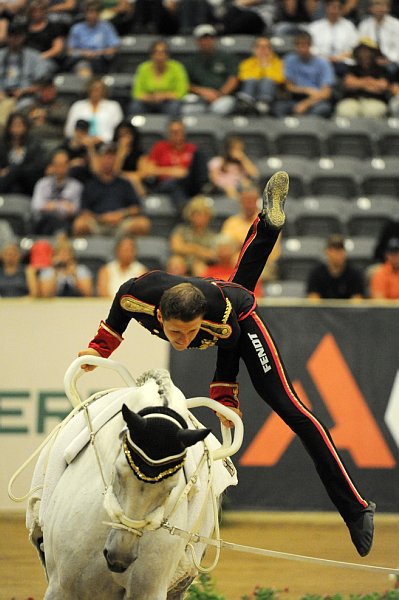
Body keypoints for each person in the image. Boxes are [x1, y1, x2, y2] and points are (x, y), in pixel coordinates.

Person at [78, 170, 376, 558]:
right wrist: (100, 348)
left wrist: (225, 392)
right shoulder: (140, 296)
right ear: (159, 316)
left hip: (240, 315)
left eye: (187, 334)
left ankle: (355, 508)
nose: (179, 342)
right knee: (242, 278)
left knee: (292, 409)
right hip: (211, 296)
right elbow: (119, 303)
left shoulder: (221, 318)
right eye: (173, 333)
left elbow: (230, 347)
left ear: (201, 322)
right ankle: (267, 225)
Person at [72, 141, 151, 237]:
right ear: (100, 159)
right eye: (105, 157)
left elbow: (136, 208)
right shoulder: (90, 185)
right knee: (79, 225)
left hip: (121, 223)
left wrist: (120, 215)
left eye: (111, 157)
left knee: (143, 224)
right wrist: (101, 218)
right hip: (98, 223)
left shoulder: (125, 183)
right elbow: (84, 211)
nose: (108, 160)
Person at [140, 118, 208, 211]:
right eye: (172, 132)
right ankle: (186, 211)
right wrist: (172, 171)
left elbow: (191, 173)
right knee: (172, 184)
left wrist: (180, 173)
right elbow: (147, 171)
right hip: (164, 185)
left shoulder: (193, 149)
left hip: (188, 185)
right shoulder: (160, 147)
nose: (176, 134)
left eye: (178, 131)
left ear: (184, 132)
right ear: (168, 133)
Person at [221, 183, 280, 282]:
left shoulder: (267, 222)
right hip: (234, 264)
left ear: (257, 201)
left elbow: (272, 251)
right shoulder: (231, 222)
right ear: (240, 201)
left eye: (251, 200)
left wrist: (241, 244)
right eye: (246, 200)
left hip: (261, 263)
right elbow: (225, 249)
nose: (248, 203)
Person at [273, 30, 335, 118]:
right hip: (295, 98)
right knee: (278, 108)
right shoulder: (289, 60)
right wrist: (307, 90)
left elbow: (326, 93)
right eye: (299, 46)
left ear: (310, 46)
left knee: (323, 109)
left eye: (304, 46)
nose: (302, 49)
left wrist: (306, 104)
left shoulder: (323, 63)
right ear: (295, 46)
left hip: (316, 100)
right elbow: (289, 86)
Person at [183, 24, 239, 117]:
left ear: (214, 40)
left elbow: (234, 78)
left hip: (222, 97)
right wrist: (202, 91)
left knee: (221, 108)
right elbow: (184, 84)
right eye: (203, 39)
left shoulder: (226, 57)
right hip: (199, 97)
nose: (206, 42)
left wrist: (219, 94)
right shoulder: (190, 61)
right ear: (197, 41)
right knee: (187, 110)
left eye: (209, 38)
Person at [0, 19, 49, 122]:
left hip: (25, 99)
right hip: (2, 96)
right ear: (8, 37)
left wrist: (23, 91)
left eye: (18, 36)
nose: (15, 39)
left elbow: (42, 84)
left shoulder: (34, 56)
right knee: (6, 105)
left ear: (23, 37)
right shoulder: (1, 55)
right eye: (12, 36)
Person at [129, 40, 189, 117]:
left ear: (167, 55)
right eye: (156, 53)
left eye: (162, 53)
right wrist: (152, 98)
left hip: (168, 101)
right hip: (147, 102)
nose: (159, 56)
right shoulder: (143, 68)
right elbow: (136, 93)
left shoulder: (177, 67)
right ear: (151, 55)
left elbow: (181, 92)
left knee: (174, 106)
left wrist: (164, 96)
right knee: (135, 106)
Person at [334, 37, 391, 118]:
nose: (364, 53)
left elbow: (382, 86)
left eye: (368, 50)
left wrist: (358, 83)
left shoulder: (382, 70)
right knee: (345, 110)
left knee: (371, 112)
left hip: (375, 100)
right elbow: (349, 83)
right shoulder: (351, 68)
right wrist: (370, 82)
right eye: (361, 50)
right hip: (352, 100)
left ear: (373, 53)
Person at [31, 149, 83, 235]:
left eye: (63, 164)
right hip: (43, 223)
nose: (60, 168)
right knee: (48, 219)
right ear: (52, 166)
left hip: (66, 223)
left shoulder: (76, 186)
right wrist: (62, 205)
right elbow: (36, 206)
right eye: (58, 164)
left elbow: (75, 209)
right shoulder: (42, 184)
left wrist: (51, 205)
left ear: (68, 165)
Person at [66, 0, 120, 77]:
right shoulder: (77, 28)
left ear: (99, 13)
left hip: (101, 60)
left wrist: (99, 53)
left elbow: (114, 49)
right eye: (89, 12)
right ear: (85, 13)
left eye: (95, 12)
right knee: (83, 67)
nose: (92, 15)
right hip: (82, 59)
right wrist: (84, 53)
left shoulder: (106, 27)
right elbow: (70, 51)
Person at [201, 233, 263, 297]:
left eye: (227, 248)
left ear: (234, 250)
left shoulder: (245, 271)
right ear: (215, 251)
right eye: (221, 249)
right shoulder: (209, 272)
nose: (224, 252)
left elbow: (256, 295)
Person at [169, 194, 218, 275]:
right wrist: (197, 249)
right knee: (176, 262)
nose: (200, 218)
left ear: (209, 216)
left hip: (202, 263)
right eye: (197, 214)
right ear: (190, 215)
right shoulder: (181, 230)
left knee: (199, 266)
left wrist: (190, 248)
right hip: (183, 260)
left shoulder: (213, 235)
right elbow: (176, 247)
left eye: (204, 214)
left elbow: (213, 255)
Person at [64, 77, 123, 144]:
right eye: (94, 89)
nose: (96, 92)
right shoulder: (78, 106)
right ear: (88, 90)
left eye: (99, 89)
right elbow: (69, 130)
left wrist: (102, 139)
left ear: (104, 91)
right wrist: (81, 138)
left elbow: (119, 130)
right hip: (80, 143)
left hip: (106, 143)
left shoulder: (113, 106)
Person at [237, 35, 285, 115]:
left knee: (267, 81)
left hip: (273, 94)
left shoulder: (279, 63)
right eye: (259, 47)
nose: (263, 50)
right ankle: (246, 104)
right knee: (251, 81)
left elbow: (280, 79)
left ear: (271, 50)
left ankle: (263, 104)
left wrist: (267, 65)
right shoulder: (247, 63)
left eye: (266, 47)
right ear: (254, 49)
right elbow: (244, 77)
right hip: (252, 91)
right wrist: (260, 65)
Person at [307, 233, 365, 299]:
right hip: (323, 309)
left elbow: (357, 300)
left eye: (341, 250)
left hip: (347, 309)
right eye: (334, 250)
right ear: (327, 251)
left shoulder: (354, 274)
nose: (338, 254)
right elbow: (313, 300)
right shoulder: (316, 274)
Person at [308, 0, 359, 76]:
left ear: (341, 10)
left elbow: (355, 47)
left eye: (337, 8)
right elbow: (309, 47)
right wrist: (325, 57)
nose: (334, 11)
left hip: (343, 62)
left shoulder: (349, 26)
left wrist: (338, 58)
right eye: (332, 7)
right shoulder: (314, 27)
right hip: (319, 61)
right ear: (326, 8)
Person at [0, 111, 45, 195]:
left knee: (15, 168)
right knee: (14, 189)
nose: (17, 129)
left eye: (20, 125)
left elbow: (37, 166)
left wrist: (14, 170)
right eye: (14, 125)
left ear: (25, 126)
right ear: (9, 127)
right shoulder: (2, 143)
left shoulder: (34, 143)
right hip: (10, 183)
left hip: (28, 180)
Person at [208, 135, 259, 201]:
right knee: (231, 189)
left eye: (240, 149)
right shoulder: (217, 161)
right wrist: (225, 186)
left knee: (249, 186)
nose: (238, 152)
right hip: (224, 189)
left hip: (241, 187)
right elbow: (214, 180)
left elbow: (254, 174)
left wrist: (243, 158)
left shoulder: (243, 163)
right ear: (228, 149)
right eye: (235, 149)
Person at [25, 0, 66, 75]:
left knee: (40, 69)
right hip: (27, 59)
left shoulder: (53, 27)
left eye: (40, 11)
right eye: (34, 11)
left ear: (45, 12)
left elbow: (57, 48)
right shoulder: (24, 28)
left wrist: (40, 57)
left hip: (46, 59)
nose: (37, 14)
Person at [357, 0, 399, 73]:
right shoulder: (364, 25)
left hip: (391, 61)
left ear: (388, 8)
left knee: (390, 69)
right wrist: (372, 59)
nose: (380, 8)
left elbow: (397, 47)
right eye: (377, 4)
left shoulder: (396, 25)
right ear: (370, 8)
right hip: (370, 61)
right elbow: (361, 46)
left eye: (383, 5)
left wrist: (388, 60)